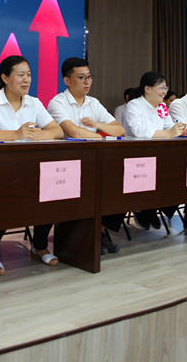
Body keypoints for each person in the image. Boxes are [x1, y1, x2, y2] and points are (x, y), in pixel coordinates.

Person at [0, 55, 64, 274]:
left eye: (29, 75)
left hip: (30, 166)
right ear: (5, 78)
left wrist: (40, 135)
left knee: (51, 191)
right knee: (7, 197)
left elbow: (57, 131)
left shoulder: (34, 102)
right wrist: (16, 134)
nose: (26, 80)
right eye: (21, 75)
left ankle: (39, 246)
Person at [46, 57, 126, 253]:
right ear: (67, 80)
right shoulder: (57, 102)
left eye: (89, 77)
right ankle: (84, 235)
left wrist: (97, 125)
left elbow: (119, 130)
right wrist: (100, 134)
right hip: (68, 164)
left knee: (121, 183)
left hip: (95, 162)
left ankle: (100, 231)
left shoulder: (93, 103)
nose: (87, 82)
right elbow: (73, 132)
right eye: (81, 77)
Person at [123, 71, 187, 230]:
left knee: (177, 176)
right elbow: (138, 131)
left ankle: (155, 208)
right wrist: (168, 134)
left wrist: (181, 130)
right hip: (137, 157)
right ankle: (144, 209)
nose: (164, 92)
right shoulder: (134, 105)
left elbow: (169, 126)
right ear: (147, 89)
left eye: (165, 88)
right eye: (161, 88)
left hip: (158, 155)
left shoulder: (161, 107)